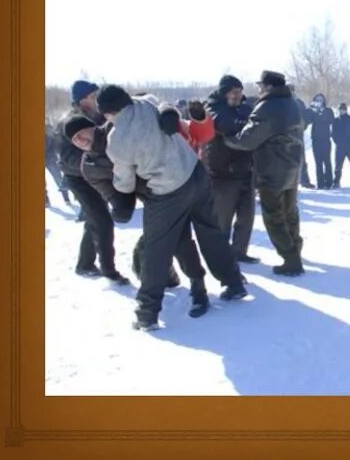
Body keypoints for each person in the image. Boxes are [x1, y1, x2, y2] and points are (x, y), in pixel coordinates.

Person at [98, 85, 247, 330]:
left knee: (157, 250)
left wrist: (121, 199)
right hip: (196, 174)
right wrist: (168, 110)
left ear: (108, 114)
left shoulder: (116, 140)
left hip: (167, 191)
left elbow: (124, 182)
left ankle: (147, 312)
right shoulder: (146, 103)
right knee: (211, 232)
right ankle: (233, 282)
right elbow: (160, 103)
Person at [69, 114, 216, 317]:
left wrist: (168, 115)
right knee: (153, 249)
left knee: (181, 243)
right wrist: (120, 207)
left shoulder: (118, 131)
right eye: (73, 139)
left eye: (80, 132)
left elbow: (147, 107)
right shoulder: (89, 165)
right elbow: (110, 191)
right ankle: (162, 288)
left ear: (91, 127)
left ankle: (198, 289)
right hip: (151, 201)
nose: (79, 139)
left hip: (171, 189)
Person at [224, 71, 307, 276]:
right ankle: (295, 248)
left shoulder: (267, 107)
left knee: (273, 216)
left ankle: (290, 259)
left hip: (273, 169)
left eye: (261, 85)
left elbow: (248, 139)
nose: (259, 89)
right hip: (293, 166)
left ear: (269, 87)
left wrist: (227, 138)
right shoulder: (293, 103)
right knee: (290, 212)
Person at [55, 80, 130, 283]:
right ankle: (109, 271)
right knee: (103, 221)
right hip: (80, 180)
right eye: (92, 96)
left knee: (94, 220)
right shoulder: (68, 123)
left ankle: (85, 264)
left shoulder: (98, 116)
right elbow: (67, 160)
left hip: (98, 175)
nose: (96, 99)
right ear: (81, 100)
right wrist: (95, 162)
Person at [204, 75, 259, 265]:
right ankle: (221, 255)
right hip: (222, 172)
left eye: (239, 91)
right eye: (233, 92)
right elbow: (223, 125)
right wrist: (243, 127)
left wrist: (242, 127)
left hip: (246, 169)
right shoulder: (212, 107)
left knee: (246, 217)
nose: (237, 95)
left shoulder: (246, 108)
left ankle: (239, 252)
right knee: (223, 219)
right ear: (224, 92)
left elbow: (256, 129)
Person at [305, 93, 335, 189]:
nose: (319, 101)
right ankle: (320, 183)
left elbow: (330, 120)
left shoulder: (328, 110)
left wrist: (322, 112)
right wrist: (310, 110)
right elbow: (308, 121)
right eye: (317, 99)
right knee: (318, 163)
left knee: (327, 161)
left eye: (321, 99)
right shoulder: (313, 111)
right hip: (316, 140)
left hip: (325, 139)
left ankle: (329, 182)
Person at [289, 84, 315, 189]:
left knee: (302, 159)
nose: (290, 92)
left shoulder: (299, 102)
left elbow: (305, 117)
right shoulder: (284, 103)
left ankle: (304, 180)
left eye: (291, 90)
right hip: (287, 136)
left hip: (298, 135)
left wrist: (305, 124)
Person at [46, 119, 71, 207]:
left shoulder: (48, 130)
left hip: (50, 159)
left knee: (58, 178)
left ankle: (66, 198)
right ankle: (46, 200)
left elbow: (56, 143)